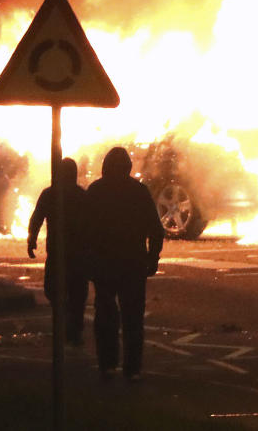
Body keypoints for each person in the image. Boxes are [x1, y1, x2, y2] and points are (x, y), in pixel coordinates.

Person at [84, 147, 164, 382]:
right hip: (133, 264)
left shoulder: (96, 191)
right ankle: (133, 368)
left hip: (104, 264)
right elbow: (155, 230)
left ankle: (107, 363)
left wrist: (86, 261)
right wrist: (152, 258)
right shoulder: (138, 192)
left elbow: (83, 230)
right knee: (133, 319)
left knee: (105, 314)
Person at [27, 157, 89, 346]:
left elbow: (36, 219)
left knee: (55, 291)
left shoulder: (50, 194)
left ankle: (66, 327)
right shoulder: (81, 195)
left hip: (58, 253)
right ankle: (74, 330)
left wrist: (32, 240)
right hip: (78, 255)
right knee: (77, 295)